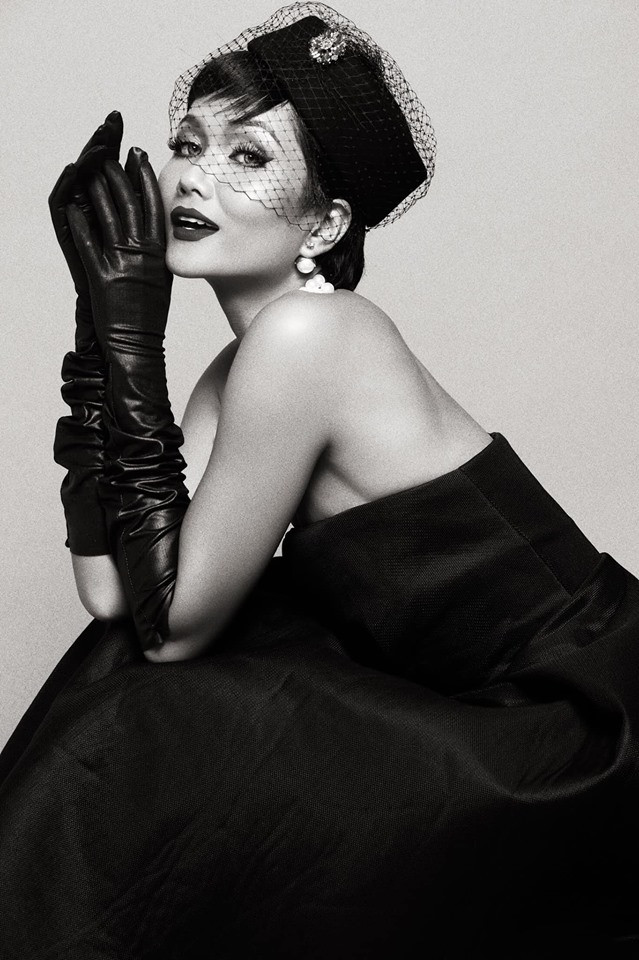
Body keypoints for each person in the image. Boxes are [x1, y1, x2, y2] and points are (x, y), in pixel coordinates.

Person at [0, 3, 637, 957]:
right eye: (188, 144)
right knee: (128, 674)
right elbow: (117, 598)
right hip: (468, 705)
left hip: (577, 725)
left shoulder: (314, 336)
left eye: (249, 158)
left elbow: (174, 631)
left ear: (326, 221)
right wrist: (100, 336)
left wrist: (130, 337)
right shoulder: (241, 368)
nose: (195, 176)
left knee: (159, 711)